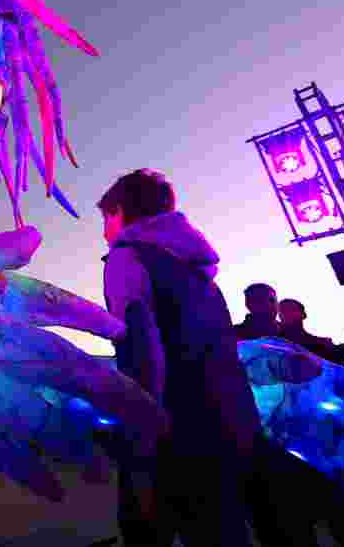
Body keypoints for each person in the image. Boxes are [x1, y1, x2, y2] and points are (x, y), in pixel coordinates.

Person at [98, 169, 261, 547]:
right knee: (222, 529)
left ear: (119, 211)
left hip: (175, 426)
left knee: (146, 528)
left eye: (105, 218)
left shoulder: (127, 257)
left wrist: (143, 431)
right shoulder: (195, 269)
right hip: (230, 416)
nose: (104, 230)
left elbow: (142, 349)